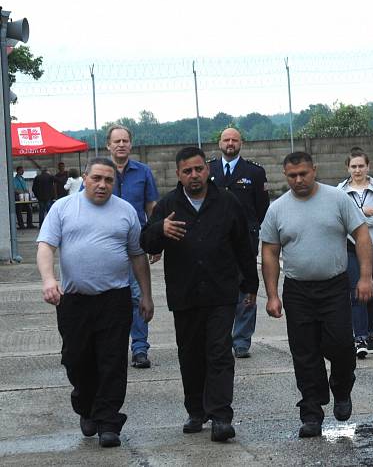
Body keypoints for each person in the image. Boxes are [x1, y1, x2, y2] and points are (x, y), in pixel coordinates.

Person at [140, 146, 257, 442]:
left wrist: (251, 287)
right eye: (187, 171)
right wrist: (160, 230)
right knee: (190, 355)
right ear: (179, 174)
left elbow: (244, 246)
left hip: (221, 293)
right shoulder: (167, 205)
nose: (194, 175)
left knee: (219, 353)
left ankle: (220, 416)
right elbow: (147, 244)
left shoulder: (228, 202)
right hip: (186, 294)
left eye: (198, 169)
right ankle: (196, 411)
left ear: (207, 169)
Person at [35, 157, 154, 448]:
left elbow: (137, 256)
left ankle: (109, 421)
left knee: (112, 361)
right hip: (74, 301)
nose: (102, 185)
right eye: (97, 178)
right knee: (76, 360)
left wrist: (147, 295)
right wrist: (49, 280)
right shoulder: (63, 208)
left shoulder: (125, 212)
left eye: (109, 180)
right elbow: (46, 246)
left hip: (114, 299)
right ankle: (86, 405)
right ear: (84, 178)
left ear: (115, 182)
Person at [260, 151, 373, 438]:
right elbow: (270, 252)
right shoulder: (277, 209)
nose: (298, 180)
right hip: (298, 290)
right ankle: (311, 411)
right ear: (285, 176)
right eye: (292, 176)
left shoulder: (336, 200)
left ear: (314, 170)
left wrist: (365, 276)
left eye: (303, 174)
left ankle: (342, 386)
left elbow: (361, 234)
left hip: (334, 286)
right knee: (305, 352)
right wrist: (272, 295)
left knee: (341, 346)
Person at [208, 127, 269, 359]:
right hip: (214, 240)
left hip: (245, 240)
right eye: (226, 139)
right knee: (217, 288)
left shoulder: (254, 171)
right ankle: (221, 337)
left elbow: (262, 207)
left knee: (246, 288)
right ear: (219, 142)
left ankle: (242, 340)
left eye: (234, 140)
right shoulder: (209, 169)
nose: (230, 143)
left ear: (241, 143)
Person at [106, 124, 160, 368]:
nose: (121, 144)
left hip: (135, 245)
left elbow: (151, 208)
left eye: (125, 140)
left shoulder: (143, 172)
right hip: (106, 245)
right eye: (116, 141)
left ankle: (139, 348)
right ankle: (111, 347)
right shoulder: (101, 171)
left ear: (131, 144)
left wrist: (156, 241)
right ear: (108, 145)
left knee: (138, 295)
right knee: (111, 297)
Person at [337, 147, 373, 358]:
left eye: (361, 166)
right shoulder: (340, 191)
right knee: (357, 290)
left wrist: (355, 217)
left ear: (368, 167)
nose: (357, 170)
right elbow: (339, 217)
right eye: (353, 166)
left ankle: (369, 333)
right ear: (347, 168)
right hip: (350, 245)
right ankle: (359, 337)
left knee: (371, 291)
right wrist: (363, 212)